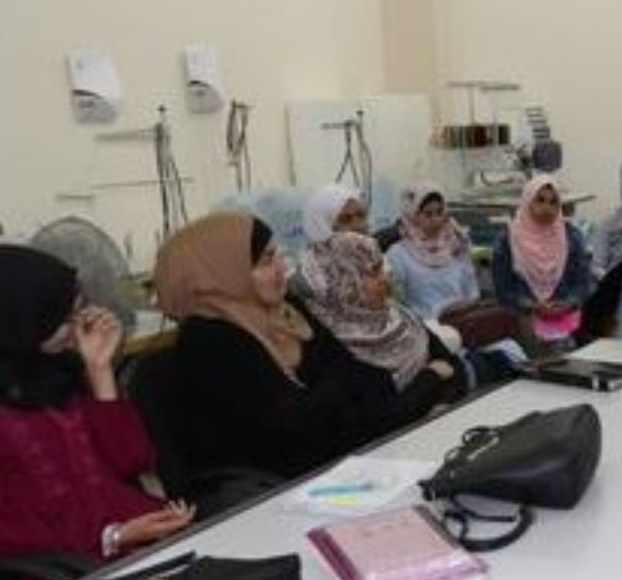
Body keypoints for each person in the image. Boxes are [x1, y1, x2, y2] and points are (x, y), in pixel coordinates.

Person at [0, 246, 194, 564]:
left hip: (141, 535)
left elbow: (133, 461)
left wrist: (100, 371)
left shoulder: (59, 371)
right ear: (18, 321)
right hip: (66, 564)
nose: (78, 327)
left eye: (79, 312)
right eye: (63, 318)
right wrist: (113, 537)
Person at [155, 213, 461, 480]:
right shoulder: (210, 341)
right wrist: (424, 386)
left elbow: (357, 377)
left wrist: (394, 400)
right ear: (223, 274)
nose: (281, 268)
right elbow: (298, 428)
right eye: (265, 261)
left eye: (278, 255)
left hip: (344, 458)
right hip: (282, 487)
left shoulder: (285, 311)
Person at [297, 232, 516, 401]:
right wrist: (432, 379)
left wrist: (441, 391)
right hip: (405, 435)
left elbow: (450, 364)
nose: (386, 277)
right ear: (344, 287)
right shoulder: (335, 349)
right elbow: (387, 414)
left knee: (507, 362)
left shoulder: (395, 315)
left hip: (452, 402)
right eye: (373, 272)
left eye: (381, 267)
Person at [491, 174, 594, 352]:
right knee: (537, 354)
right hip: (524, 319)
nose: (547, 208)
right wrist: (533, 306)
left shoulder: (571, 236)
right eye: (540, 200)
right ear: (527, 201)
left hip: (568, 317)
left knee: (575, 351)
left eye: (553, 202)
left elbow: (582, 282)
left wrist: (568, 303)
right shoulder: (507, 240)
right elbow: (504, 292)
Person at [383, 183, 483, 323]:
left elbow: (472, 290)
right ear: (412, 217)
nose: (436, 220)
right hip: (424, 327)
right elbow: (396, 307)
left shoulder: (456, 246)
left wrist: (466, 304)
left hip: (464, 322)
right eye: (428, 214)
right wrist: (438, 312)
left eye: (439, 212)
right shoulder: (398, 255)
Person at [302, 183, 369, 244]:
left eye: (360, 215)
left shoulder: (370, 250)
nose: (358, 225)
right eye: (345, 219)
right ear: (323, 228)